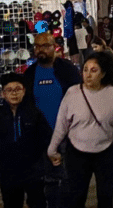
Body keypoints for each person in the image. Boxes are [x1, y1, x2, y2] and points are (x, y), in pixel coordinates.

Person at [49, 52, 113, 208]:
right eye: (85, 70)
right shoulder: (72, 93)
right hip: (77, 154)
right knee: (77, 197)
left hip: (106, 154)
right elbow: (61, 124)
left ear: (103, 73)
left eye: (93, 70)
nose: (88, 75)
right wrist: (52, 148)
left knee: (105, 197)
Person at [23, 32, 82, 208]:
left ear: (54, 47)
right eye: (37, 46)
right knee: (46, 180)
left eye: (45, 46)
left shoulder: (67, 69)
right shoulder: (30, 74)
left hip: (67, 135)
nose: (41, 50)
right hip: (40, 137)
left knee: (68, 178)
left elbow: (79, 98)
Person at [0, 73, 53, 208]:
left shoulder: (34, 113)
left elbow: (46, 139)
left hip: (33, 171)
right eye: (9, 90)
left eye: (17, 89)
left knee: (38, 203)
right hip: (7, 171)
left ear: (24, 91)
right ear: (3, 94)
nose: (14, 94)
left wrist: (45, 164)